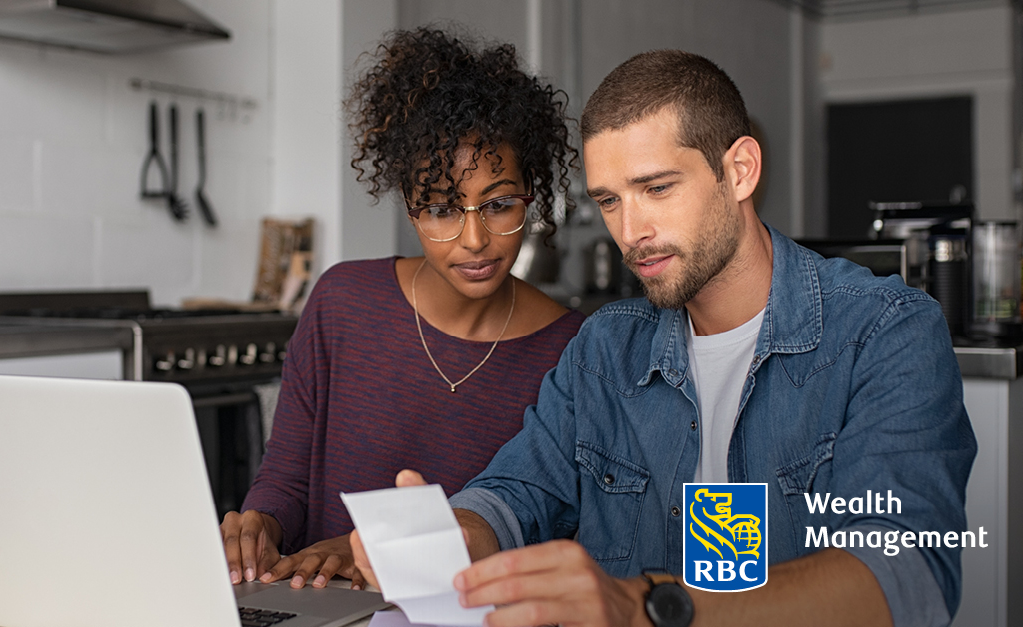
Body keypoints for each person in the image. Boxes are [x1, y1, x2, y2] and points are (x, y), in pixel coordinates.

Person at [353, 49, 976, 627]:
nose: (632, 231)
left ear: (739, 171)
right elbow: (520, 491)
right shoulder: (606, 350)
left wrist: (645, 607)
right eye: (609, 200)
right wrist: (454, 533)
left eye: (656, 188)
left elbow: (904, 576)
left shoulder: (886, 331)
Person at [221, 28, 585, 591]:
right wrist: (259, 525)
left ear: (531, 198)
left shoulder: (572, 350)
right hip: (322, 607)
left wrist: (369, 551)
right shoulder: (342, 303)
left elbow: (545, 528)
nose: (473, 239)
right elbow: (287, 481)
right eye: (441, 208)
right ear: (411, 209)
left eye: (500, 204)